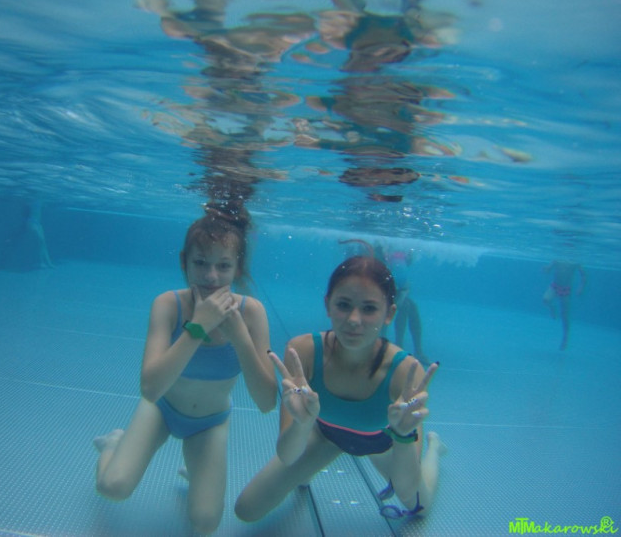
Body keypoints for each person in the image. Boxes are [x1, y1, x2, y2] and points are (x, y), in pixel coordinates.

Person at [94, 204, 276, 535]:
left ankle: (198, 469)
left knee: (205, 523)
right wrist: (197, 328)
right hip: (161, 410)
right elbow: (151, 389)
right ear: (184, 262)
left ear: (237, 268)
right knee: (112, 488)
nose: (211, 277)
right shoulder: (168, 305)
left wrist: (240, 338)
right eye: (200, 263)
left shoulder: (252, 313)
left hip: (211, 422)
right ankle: (112, 445)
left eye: (223, 266)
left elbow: (266, 402)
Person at [235, 255, 445, 523]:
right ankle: (309, 467)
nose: (354, 320)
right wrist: (302, 424)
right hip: (325, 435)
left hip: (382, 444)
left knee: (419, 507)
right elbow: (287, 456)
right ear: (328, 305)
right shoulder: (302, 352)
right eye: (344, 305)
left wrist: (403, 436)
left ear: (389, 314)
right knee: (247, 510)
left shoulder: (405, 372)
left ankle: (435, 448)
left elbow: (405, 489)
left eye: (369, 308)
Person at [542, 260, 586, 351]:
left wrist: (581, 287)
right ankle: (552, 308)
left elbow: (583, 275)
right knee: (546, 299)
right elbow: (549, 268)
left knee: (565, 316)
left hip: (566, 290)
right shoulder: (557, 259)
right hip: (554, 286)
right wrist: (546, 269)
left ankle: (565, 338)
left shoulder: (575, 262)